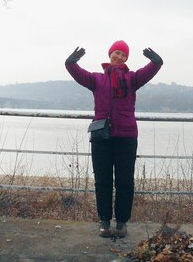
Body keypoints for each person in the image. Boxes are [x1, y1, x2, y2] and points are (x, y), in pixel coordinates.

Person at [65, 40, 163, 238]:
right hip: (102, 136)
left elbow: (151, 69)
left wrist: (156, 61)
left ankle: (121, 224)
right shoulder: (97, 80)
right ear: (110, 54)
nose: (120, 57)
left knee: (125, 182)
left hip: (126, 137)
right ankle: (104, 222)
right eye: (117, 53)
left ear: (126, 59)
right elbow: (78, 73)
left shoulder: (132, 79)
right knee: (102, 181)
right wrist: (71, 63)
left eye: (124, 55)